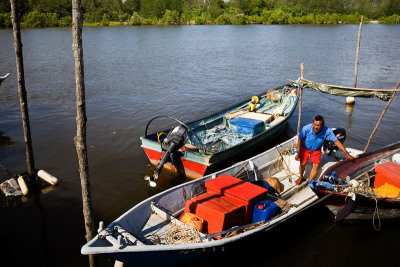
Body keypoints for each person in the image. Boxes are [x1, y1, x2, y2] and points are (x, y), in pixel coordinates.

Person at [294, 115, 354, 185]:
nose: (316, 127)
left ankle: (309, 181)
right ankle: (301, 177)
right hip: (305, 147)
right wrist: (298, 152)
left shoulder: (327, 131)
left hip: (316, 149)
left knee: (316, 165)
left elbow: (337, 142)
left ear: (322, 126)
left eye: (318, 125)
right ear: (312, 123)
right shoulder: (306, 128)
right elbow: (300, 138)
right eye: (315, 124)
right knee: (303, 163)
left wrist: (346, 153)